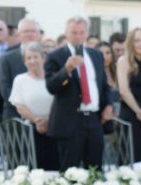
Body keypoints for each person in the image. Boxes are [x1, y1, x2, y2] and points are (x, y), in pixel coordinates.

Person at [43, 16, 113, 170]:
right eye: (74, 32)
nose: (78, 36)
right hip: (70, 121)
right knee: (70, 171)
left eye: (81, 32)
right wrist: (66, 70)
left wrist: (108, 105)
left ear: (87, 33)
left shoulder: (96, 55)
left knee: (95, 169)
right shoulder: (55, 56)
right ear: (66, 33)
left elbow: (103, 85)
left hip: (94, 119)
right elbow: (51, 87)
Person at [8, 42, 60, 170]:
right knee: (35, 169)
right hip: (31, 129)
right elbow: (19, 106)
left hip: (55, 127)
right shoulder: (20, 80)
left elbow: (61, 103)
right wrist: (37, 121)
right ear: (24, 61)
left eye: (35, 57)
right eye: (28, 58)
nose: (32, 61)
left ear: (43, 58)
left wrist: (49, 121)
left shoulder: (54, 78)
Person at [115, 26, 141, 162]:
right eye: (137, 40)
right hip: (130, 115)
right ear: (131, 42)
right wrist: (140, 113)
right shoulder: (123, 61)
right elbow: (124, 91)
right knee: (129, 157)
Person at [0, 16, 43, 107]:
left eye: (33, 31)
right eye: (25, 31)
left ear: (39, 34)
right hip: (15, 114)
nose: (29, 34)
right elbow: (5, 90)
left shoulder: (49, 57)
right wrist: (28, 106)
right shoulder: (6, 58)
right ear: (18, 34)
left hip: (44, 113)